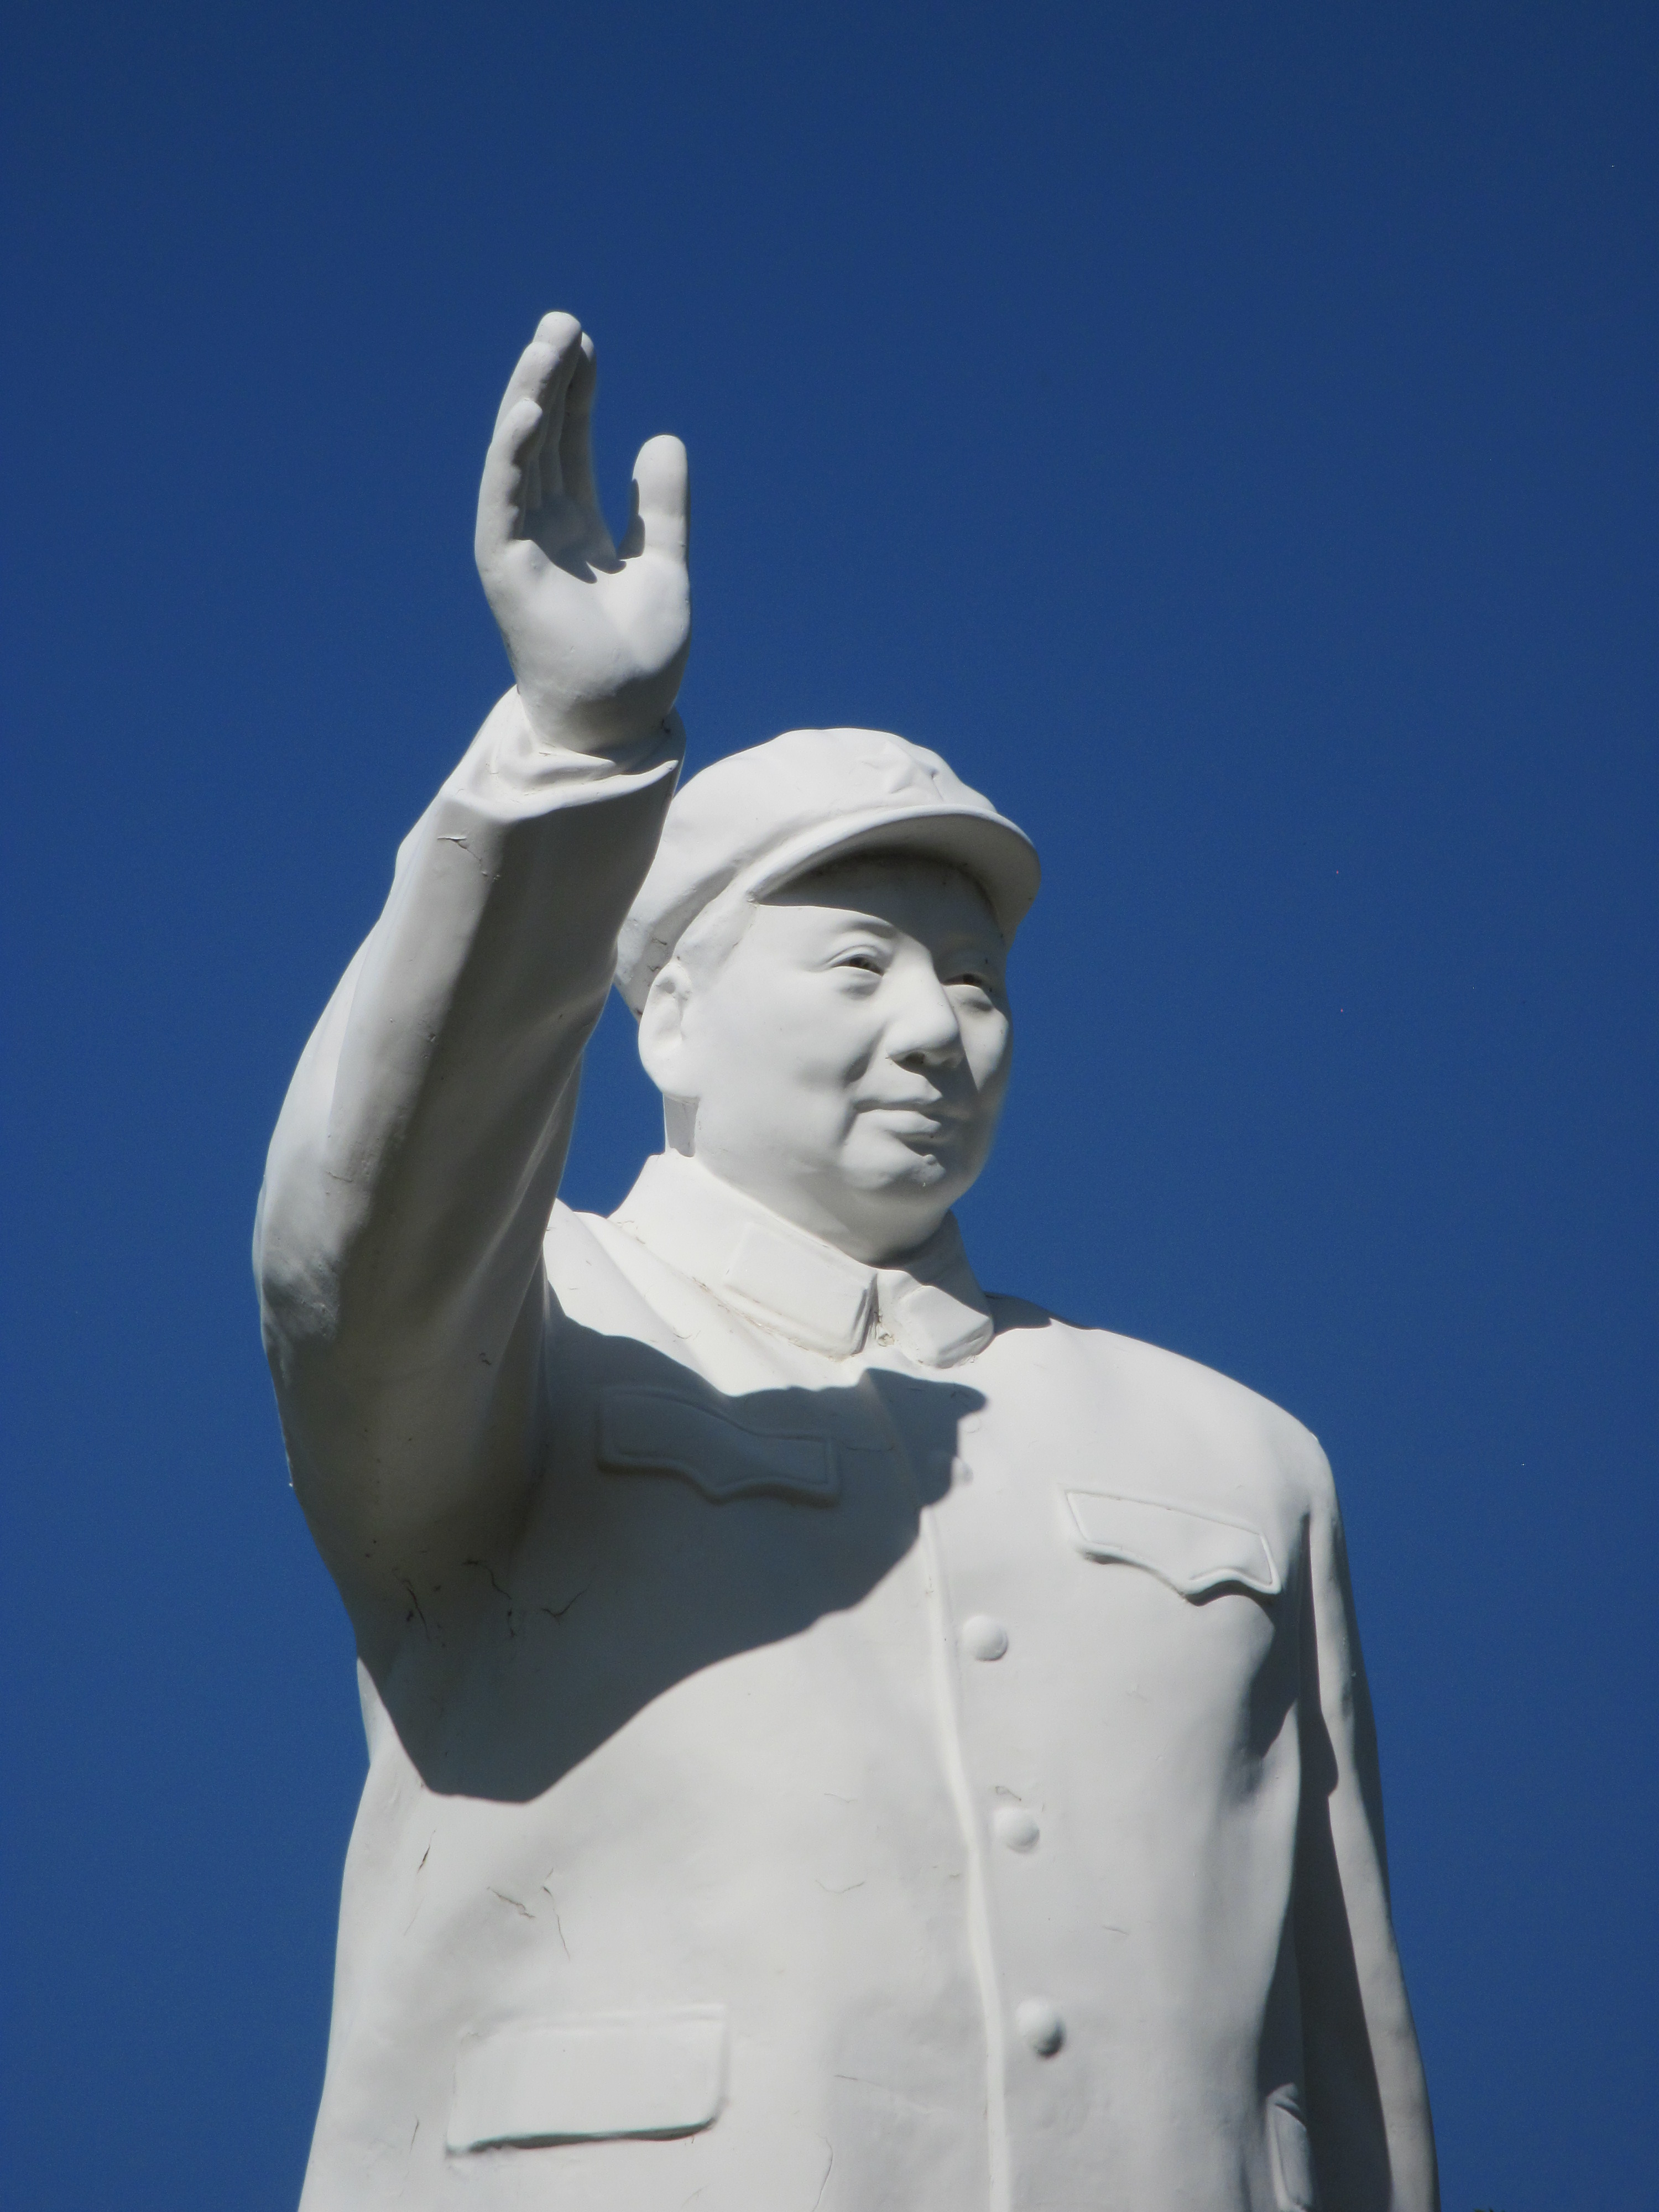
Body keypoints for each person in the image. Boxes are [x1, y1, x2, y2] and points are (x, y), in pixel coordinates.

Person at [255, 312, 1437, 2212]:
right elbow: (355, 1241)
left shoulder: (1236, 1458)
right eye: (860, 966)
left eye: (973, 984)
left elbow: (1347, 2056)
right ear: (672, 1018)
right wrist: (576, 752)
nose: (933, 1032)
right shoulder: (532, 1334)